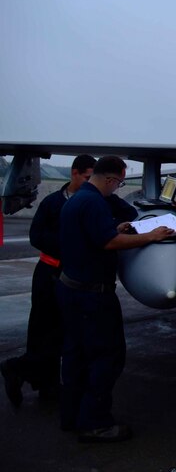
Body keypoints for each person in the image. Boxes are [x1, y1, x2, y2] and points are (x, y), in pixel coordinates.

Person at [56, 155, 173, 443]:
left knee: (75, 356)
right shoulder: (95, 202)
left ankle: (71, 416)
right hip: (92, 297)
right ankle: (95, 422)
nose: (118, 188)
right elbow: (108, 243)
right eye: (119, 183)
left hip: (69, 290)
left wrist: (115, 229)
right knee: (106, 357)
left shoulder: (77, 200)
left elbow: (95, 236)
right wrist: (151, 236)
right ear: (110, 179)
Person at [2, 155, 97, 408]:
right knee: (44, 331)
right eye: (87, 177)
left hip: (70, 277)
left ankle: (48, 386)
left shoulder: (93, 202)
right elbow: (36, 236)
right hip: (49, 274)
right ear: (74, 174)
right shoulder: (52, 203)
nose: (90, 183)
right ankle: (17, 369)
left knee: (61, 333)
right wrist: (69, 246)